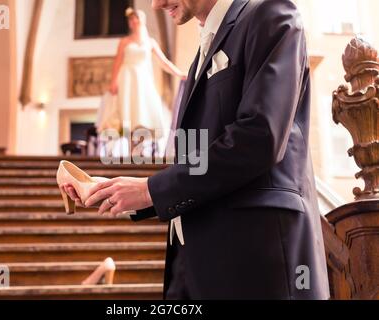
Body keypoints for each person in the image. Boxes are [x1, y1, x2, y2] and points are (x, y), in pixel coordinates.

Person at [63, 0, 330, 300]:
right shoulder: (200, 56)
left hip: (256, 265)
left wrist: (151, 190)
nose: (156, 4)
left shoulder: (271, 14)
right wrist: (119, 191)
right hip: (194, 264)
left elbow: (259, 137)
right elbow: (198, 162)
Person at [96, 8, 186, 147]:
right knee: (127, 111)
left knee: (142, 113)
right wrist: (113, 82)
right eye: (130, 19)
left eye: (135, 18)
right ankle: (130, 149)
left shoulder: (150, 42)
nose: (133, 21)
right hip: (126, 78)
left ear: (141, 20)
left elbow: (164, 62)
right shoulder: (124, 41)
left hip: (142, 80)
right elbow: (117, 62)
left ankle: (139, 148)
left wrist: (179, 73)